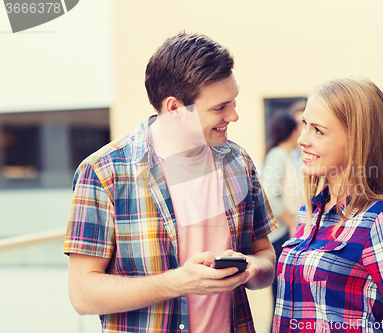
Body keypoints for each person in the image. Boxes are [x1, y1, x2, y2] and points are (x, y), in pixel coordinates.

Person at [63, 32, 277, 333]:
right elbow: (83, 294)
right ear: (175, 108)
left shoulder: (238, 161)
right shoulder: (104, 171)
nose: (234, 115)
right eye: (220, 107)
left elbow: (265, 257)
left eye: (234, 102)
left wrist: (251, 268)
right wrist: (178, 282)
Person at [272, 77, 383, 333]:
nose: (301, 139)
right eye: (305, 125)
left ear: (356, 139)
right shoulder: (308, 214)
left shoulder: (381, 219)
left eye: (318, 130)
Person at [262, 111, 303, 315]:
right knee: (282, 303)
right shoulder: (277, 155)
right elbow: (269, 194)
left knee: (289, 303)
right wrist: (291, 219)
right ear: (294, 131)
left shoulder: (288, 156)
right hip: (279, 236)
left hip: (289, 233)